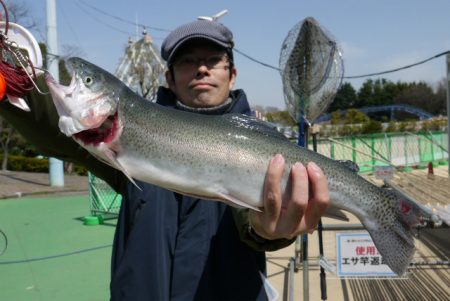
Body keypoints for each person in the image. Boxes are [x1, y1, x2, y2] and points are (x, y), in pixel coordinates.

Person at [0, 19, 329, 300]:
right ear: (169, 78)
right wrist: (10, 81)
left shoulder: (261, 141)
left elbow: (251, 220)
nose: (201, 68)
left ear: (233, 74)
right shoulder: (120, 134)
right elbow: (53, 126)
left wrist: (268, 229)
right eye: (187, 60)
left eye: (213, 59)